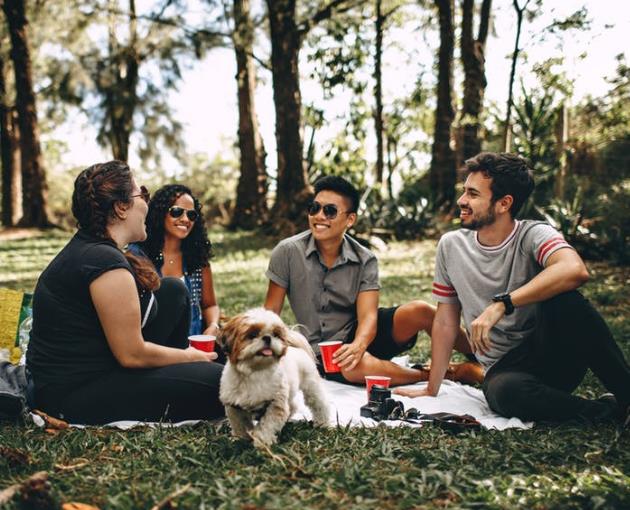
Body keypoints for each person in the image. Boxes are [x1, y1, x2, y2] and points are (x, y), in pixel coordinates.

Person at [396, 152, 630, 423]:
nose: (461, 201)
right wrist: (431, 388)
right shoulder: (451, 246)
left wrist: (503, 303)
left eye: (473, 194)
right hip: (505, 371)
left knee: (567, 300)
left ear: (504, 203)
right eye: (464, 191)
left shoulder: (534, 234)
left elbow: (574, 269)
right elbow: (446, 322)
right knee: (504, 393)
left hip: (553, 353)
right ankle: (608, 413)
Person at [26, 161, 224, 424]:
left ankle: (185, 372)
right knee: (224, 384)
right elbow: (131, 354)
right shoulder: (103, 263)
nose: (146, 202)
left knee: (173, 290)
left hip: (104, 365)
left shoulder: (96, 249)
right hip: (74, 393)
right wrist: (190, 356)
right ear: (121, 207)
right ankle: (189, 373)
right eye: (141, 193)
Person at [264, 175, 480, 386]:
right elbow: (270, 313)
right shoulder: (287, 252)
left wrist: (358, 345)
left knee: (421, 310)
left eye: (329, 211)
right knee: (353, 366)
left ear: (350, 219)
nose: (319, 216)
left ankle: (482, 356)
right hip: (320, 351)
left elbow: (368, 317)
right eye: (314, 208)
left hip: (361, 334)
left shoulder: (365, 259)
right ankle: (446, 374)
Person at [132, 184, 220, 337]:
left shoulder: (197, 258)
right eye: (177, 212)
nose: (186, 219)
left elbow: (210, 305)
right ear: (160, 214)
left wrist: (213, 326)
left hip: (194, 345)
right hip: (154, 345)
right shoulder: (138, 256)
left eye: (192, 215)